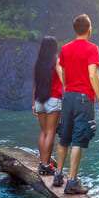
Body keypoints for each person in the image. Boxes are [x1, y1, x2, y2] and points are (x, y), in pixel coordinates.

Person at [53, 14, 99, 194]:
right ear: (89, 29)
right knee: (78, 139)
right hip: (84, 98)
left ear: (75, 29)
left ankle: (58, 175)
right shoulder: (93, 48)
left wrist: (65, 83)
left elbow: (59, 66)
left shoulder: (66, 48)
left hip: (68, 96)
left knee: (64, 137)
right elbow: (93, 74)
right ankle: (72, 182)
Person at [32, 36, 64, 176]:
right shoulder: (56, 61)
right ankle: (46, 165)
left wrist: (33, 103)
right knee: (51, 132)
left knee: (43, 132)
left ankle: (42, 163)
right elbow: (63, 79)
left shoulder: (38, 63)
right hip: (53, 99)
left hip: (39, 100)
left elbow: (36, 85)